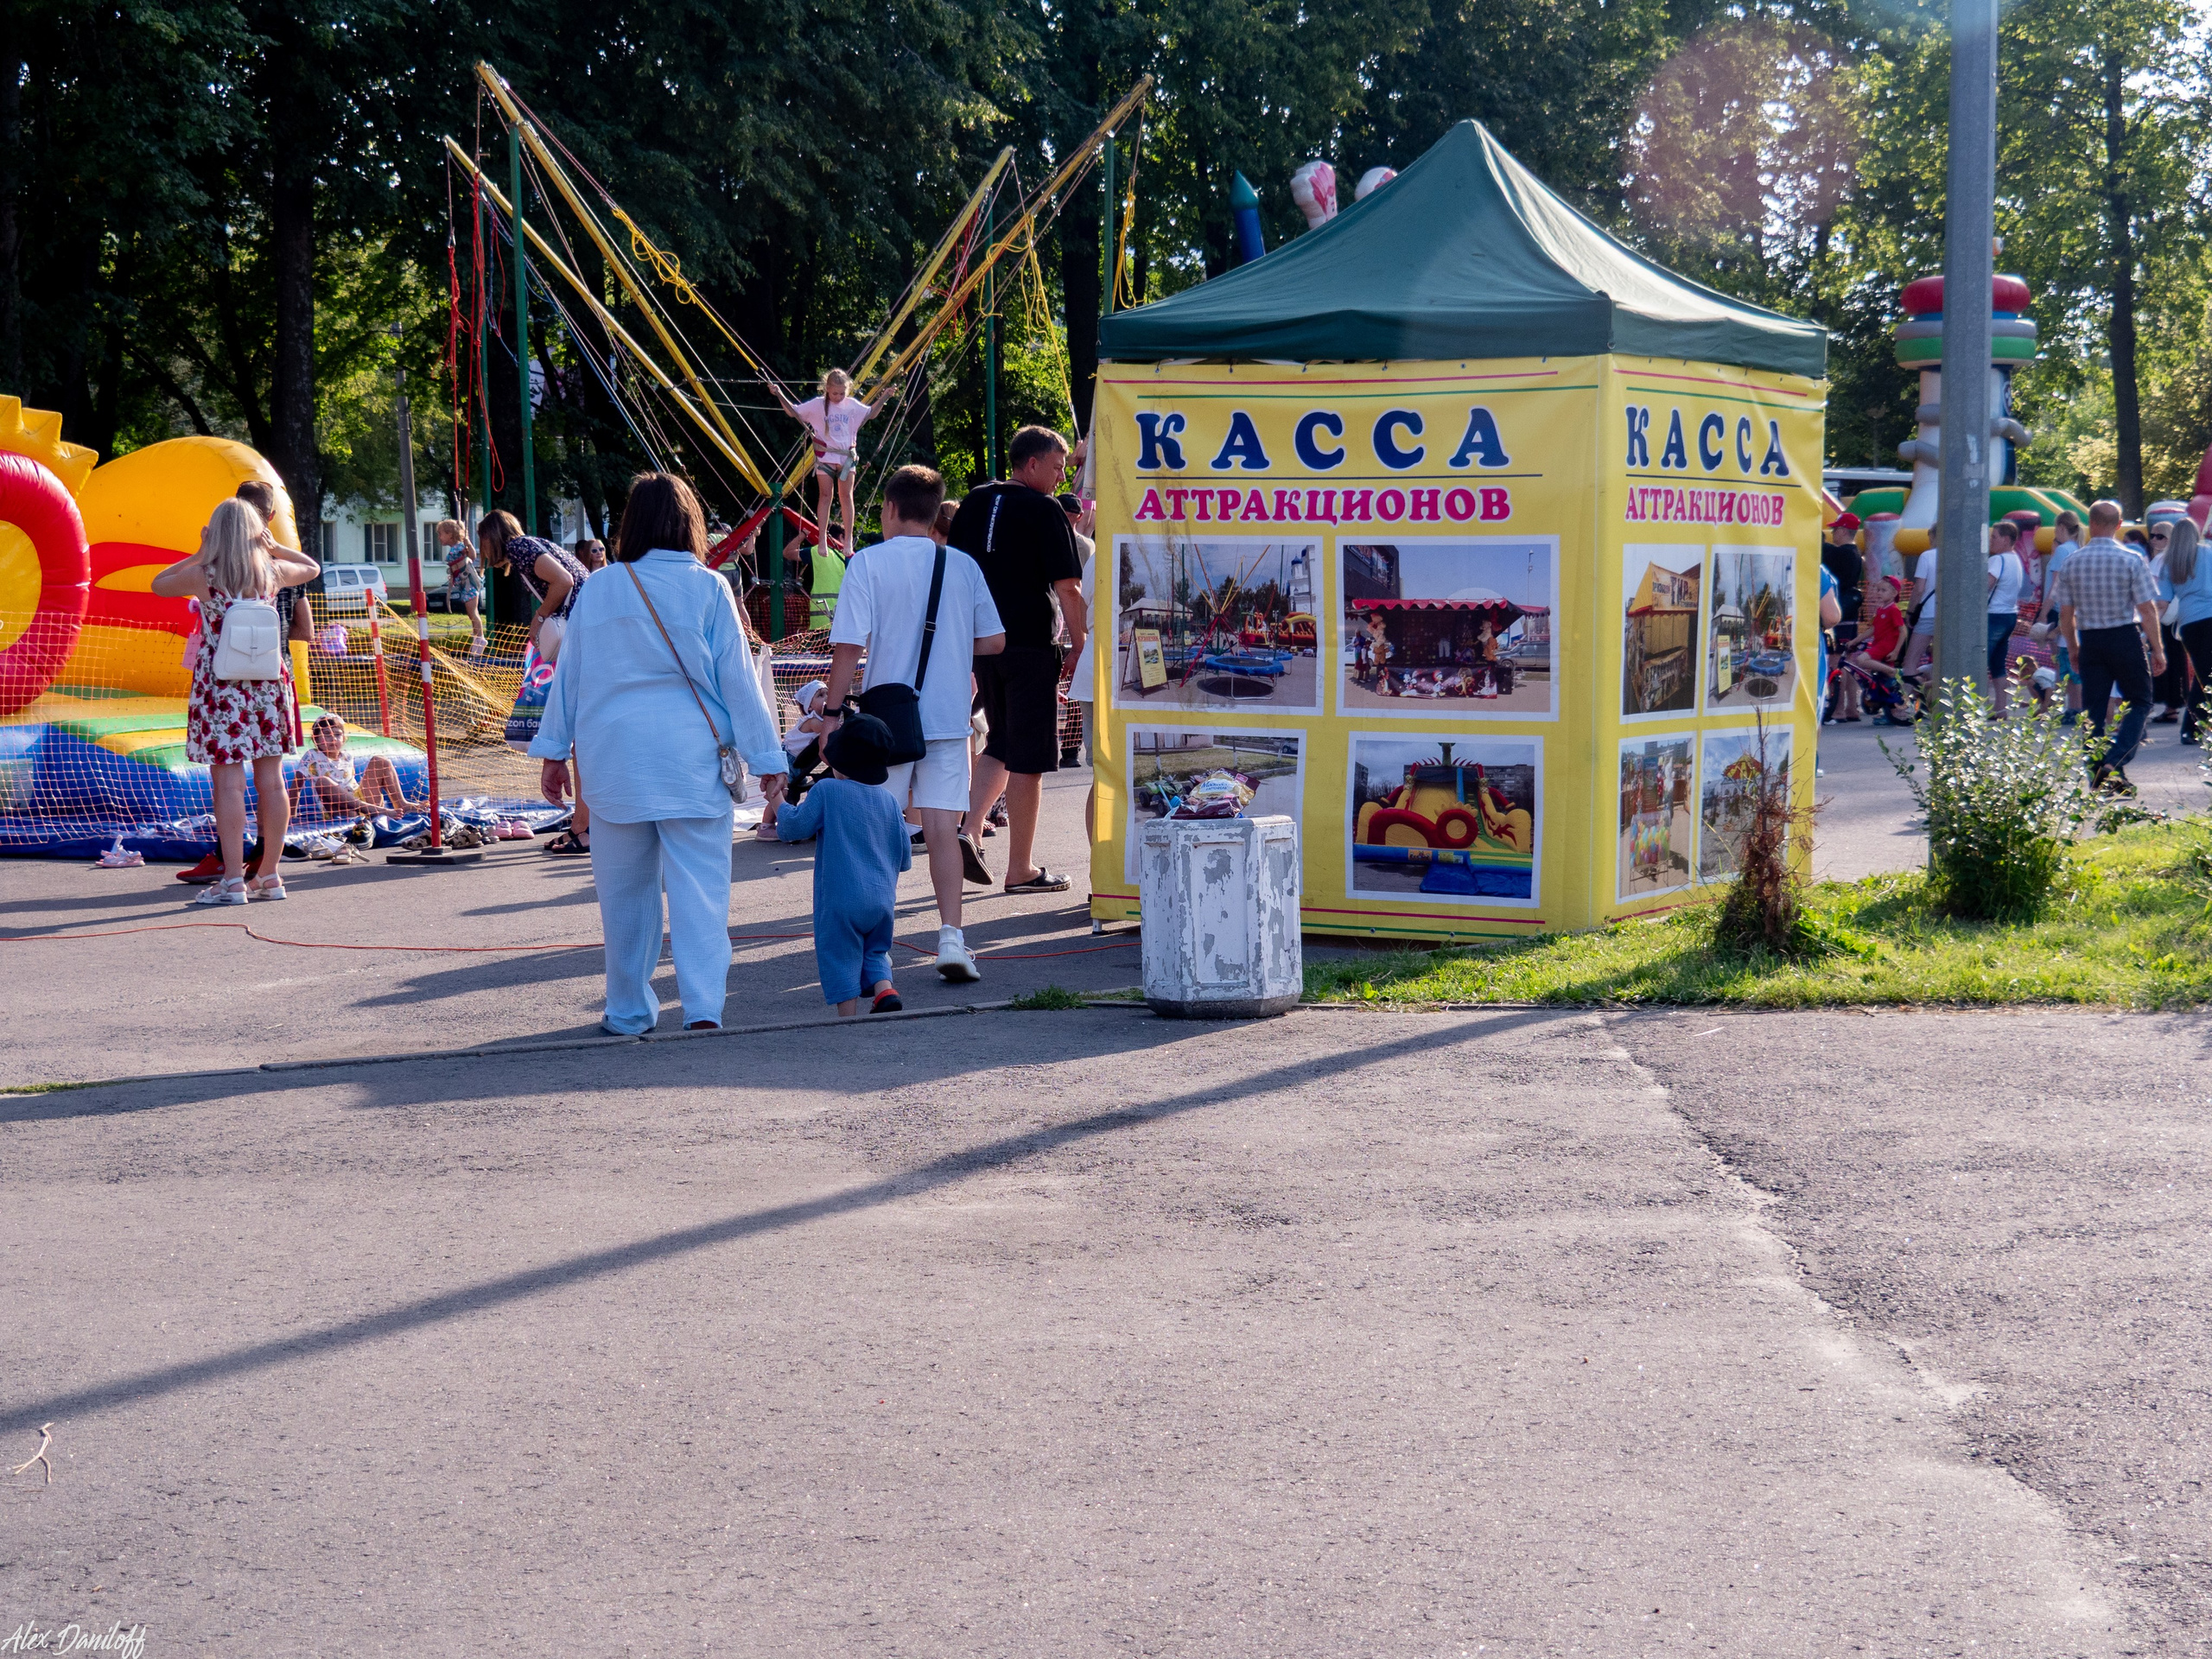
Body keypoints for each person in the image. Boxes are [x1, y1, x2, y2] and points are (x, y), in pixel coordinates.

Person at [528, 473, 789, 1033]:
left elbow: (570, 675)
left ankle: (627, 1010)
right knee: (701, 892)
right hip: (693, 759)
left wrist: (552, 751)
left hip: (613, 758)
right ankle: (703, 1008)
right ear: (690, 524)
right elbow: (739, 683)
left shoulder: (599, 587)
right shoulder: (710, 587)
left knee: (623, 898)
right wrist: (769, 760)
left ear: (631, 525)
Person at [822, 464, 1007, 983]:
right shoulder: (961, 565)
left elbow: (848, 647)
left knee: (877, 834)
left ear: (889, 508)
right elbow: (995, 641)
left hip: (887, 723)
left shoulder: (867, 563)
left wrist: (831, 716)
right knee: (944, 830)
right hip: (947, 717)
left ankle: (872, 952)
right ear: (932, 512)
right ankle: (952, 939)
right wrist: (952, 644)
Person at [151, 497, 320, 903]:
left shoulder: (204, 576)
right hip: (268, 685)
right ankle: (270, 875)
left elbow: (158, 583)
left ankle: (231, 880)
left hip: (221, 687)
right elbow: (312, 568)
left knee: (228, 785)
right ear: (255, 532)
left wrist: (200, 552)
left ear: (216, 533)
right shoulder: (273, 572)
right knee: (272, 781)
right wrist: (275, 547)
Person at [947, 425, 1085, 894]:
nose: (1061, 477)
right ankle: (1020, 869)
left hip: (983, 645)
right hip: (1029, 645)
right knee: (1031, 757)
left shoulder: (974, 502)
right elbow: (1068, 587)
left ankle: (970, 829)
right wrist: (1080, 645)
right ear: (1032, 464)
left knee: (1002, 742)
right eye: (1057, 467)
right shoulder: (1045, 509)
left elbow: (956, 574)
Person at [776, 712, 912, 1016]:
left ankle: (847, 1021)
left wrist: (777, 801)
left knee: (840, 955)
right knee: (875, 951)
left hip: (841, 901)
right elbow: (904, 859)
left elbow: (793, 828)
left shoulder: (827, 791)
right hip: (882, 901)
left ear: (839, 759)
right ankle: (884, 990)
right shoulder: (890, 801)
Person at [482, 509, 594, 853]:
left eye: (483, 542)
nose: (483, 551)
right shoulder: (532, 546)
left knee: (580, 731)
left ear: (492, 536)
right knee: (581, 733)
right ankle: (584, 824)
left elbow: (565, 581)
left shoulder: (520, 548)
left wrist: (541, 616)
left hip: (581, 633)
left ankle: (585, 827)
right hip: (586, 628)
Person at [2053, 499, 2166, 792]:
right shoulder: (2131, 559)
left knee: (2093, 712)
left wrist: (2073, 648)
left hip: (2091, 640)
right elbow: (2147, 609)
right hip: (2124, 637)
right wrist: (2157, 649)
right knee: (2140, 701)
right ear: (2119, 525)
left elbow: (2066, 614)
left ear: (2090, 523)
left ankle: (2098, 775)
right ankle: (2115, 760)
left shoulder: (2071, 562)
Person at [774, 368, 877, 553]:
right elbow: (793, 412)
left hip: (846, 457)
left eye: (842, 393)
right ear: (827, 389)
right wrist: (779, 394)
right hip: (826, 457)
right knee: (825, 496)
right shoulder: (817, 405)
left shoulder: (851, 405)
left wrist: (884, 397)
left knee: (846, 497)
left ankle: (848, 540)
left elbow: (871, 413)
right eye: (835, 393)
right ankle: (822, 539)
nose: (838, 397)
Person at [289, 714, 423, 819]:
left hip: (362, 801)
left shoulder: (347, 757)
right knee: (322, 782)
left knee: (380, 761)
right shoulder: (312, 756)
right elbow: (296, 787)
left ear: (344, 738)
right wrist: (292, 816)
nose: (333, 739)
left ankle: (401, 803)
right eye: (327, 735)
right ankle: (376, 811)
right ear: (316, 739)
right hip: (340, 809)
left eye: (337, 734)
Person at [756, 678, 833, 842]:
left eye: (828, 694)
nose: (826, 698)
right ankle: (765, 827)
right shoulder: (813, 721)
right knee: (781, 793)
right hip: (789, 760)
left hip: (799, 764)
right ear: (809, 707)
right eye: (821, 695)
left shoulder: (821, 721)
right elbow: (831, 730)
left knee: (793, 794)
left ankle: (789, 823)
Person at [2158, 517, 2212, 744]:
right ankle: (2191, 728)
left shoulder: (2169, 562)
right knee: (2206, 676)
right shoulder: (2208, 552)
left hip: (2188, 623)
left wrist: (2150, 633)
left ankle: (2192, 728)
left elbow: (2162, 603)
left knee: (2203, 674)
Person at [2035, 510, 2085, 723]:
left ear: (2062, 528)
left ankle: (2074, 707)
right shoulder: (2077, 548)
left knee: (2065, 663)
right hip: (2075, 609)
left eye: (2056, 527)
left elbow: (2055, 586)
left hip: (2060, 609)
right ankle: (2074, 708)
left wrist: (2043, 613)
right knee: (2070, 663)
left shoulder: (2063, 550)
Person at [1822, 513, 1866, 720]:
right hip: (1851, 613)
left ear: (1842, 531)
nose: (1832, 534)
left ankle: (1838, 709)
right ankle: (1851, 708)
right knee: (1848, 661)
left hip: (1839, 613)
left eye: (1834, 530)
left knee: (1836, 662)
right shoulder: (1856, 553)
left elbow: (1823, 550)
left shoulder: (1840, 554)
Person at [1986, 518, 2025, 715]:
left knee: (1979, 660)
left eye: (1994, 537)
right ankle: (2000, 708)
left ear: (2006, 539)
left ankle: (1972, 707)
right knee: (1998, 664)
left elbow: (1985, 586)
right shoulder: (2016, 559)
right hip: (2010, 615)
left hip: (1994, 615)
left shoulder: (1997, 560)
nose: (1991, 541)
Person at [435, 519, 487, 655]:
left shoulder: (460, 546)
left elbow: (472, 556)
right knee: (471, 614)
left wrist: (467, 542)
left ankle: (480, 639)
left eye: (441, 534)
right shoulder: (456, 548)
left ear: (450, 534)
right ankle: (477, 638)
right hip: (463, 584)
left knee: (473, 613)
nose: (439, 537)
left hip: (469, 583)